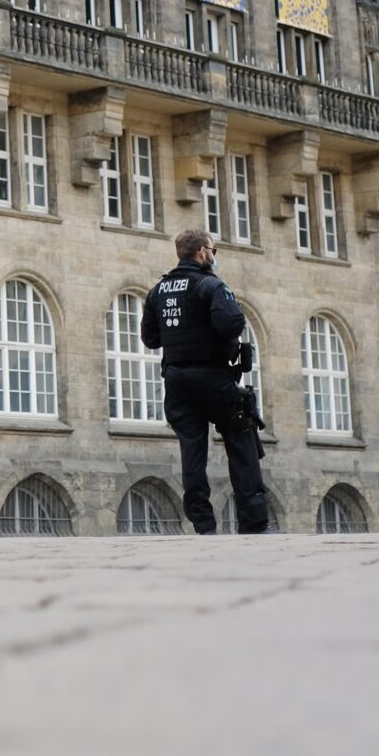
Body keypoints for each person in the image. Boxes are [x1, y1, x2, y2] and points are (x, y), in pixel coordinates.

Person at [142, 229, 271, 535]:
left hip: (176, 381)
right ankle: (253, 522)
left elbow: (150, 338)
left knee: (192, 451)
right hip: (213, 376)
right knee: (242, 441)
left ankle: (203, 524)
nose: (214, 256)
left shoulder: (157, 291)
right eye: (213, 250)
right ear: (202, 252)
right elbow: (231, 323)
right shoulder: (210, 285)